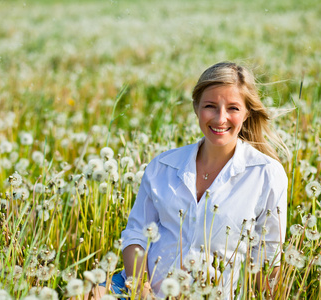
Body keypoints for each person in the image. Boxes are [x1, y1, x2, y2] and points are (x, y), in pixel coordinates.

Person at [94, 61, 288, 299]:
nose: (220, 118)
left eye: (233, 108)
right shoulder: (163, 166)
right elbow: (136, 235)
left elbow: (268, 258)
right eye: (210, 106)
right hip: (138, 291)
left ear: (247, 113)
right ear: (196, 107)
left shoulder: (266, 173)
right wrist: (142, 292)